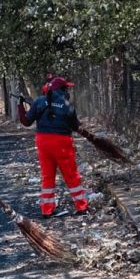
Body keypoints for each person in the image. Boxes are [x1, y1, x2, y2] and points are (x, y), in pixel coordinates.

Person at [17, 75, 88, 217]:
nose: (68, 90)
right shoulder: (67, 106)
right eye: (66, 88)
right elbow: (75, 126)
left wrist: (20, 106)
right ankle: (82, 206)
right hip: (62, 142)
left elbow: (26, 122)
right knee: (71, 175)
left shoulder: (38, 102)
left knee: (47, 176)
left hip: (43, 142)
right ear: (62, 90)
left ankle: (47, 209)